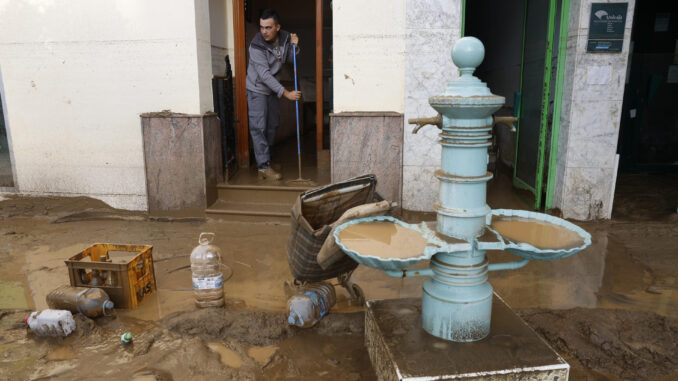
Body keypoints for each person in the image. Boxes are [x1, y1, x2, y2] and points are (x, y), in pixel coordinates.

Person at [246, 8, 301, 180]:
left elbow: (291, 60)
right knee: (259, 127)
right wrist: (286, 94)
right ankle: (263, 167)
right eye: (262, 27)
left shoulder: (285, 38)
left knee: (273, 124)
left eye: (268, 27)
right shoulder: (256, 45)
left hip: (271, 89)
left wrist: (295, 46)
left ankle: (267, 160)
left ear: (277, 27)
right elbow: (264, 75)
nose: (264, 31)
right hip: (257, 89)